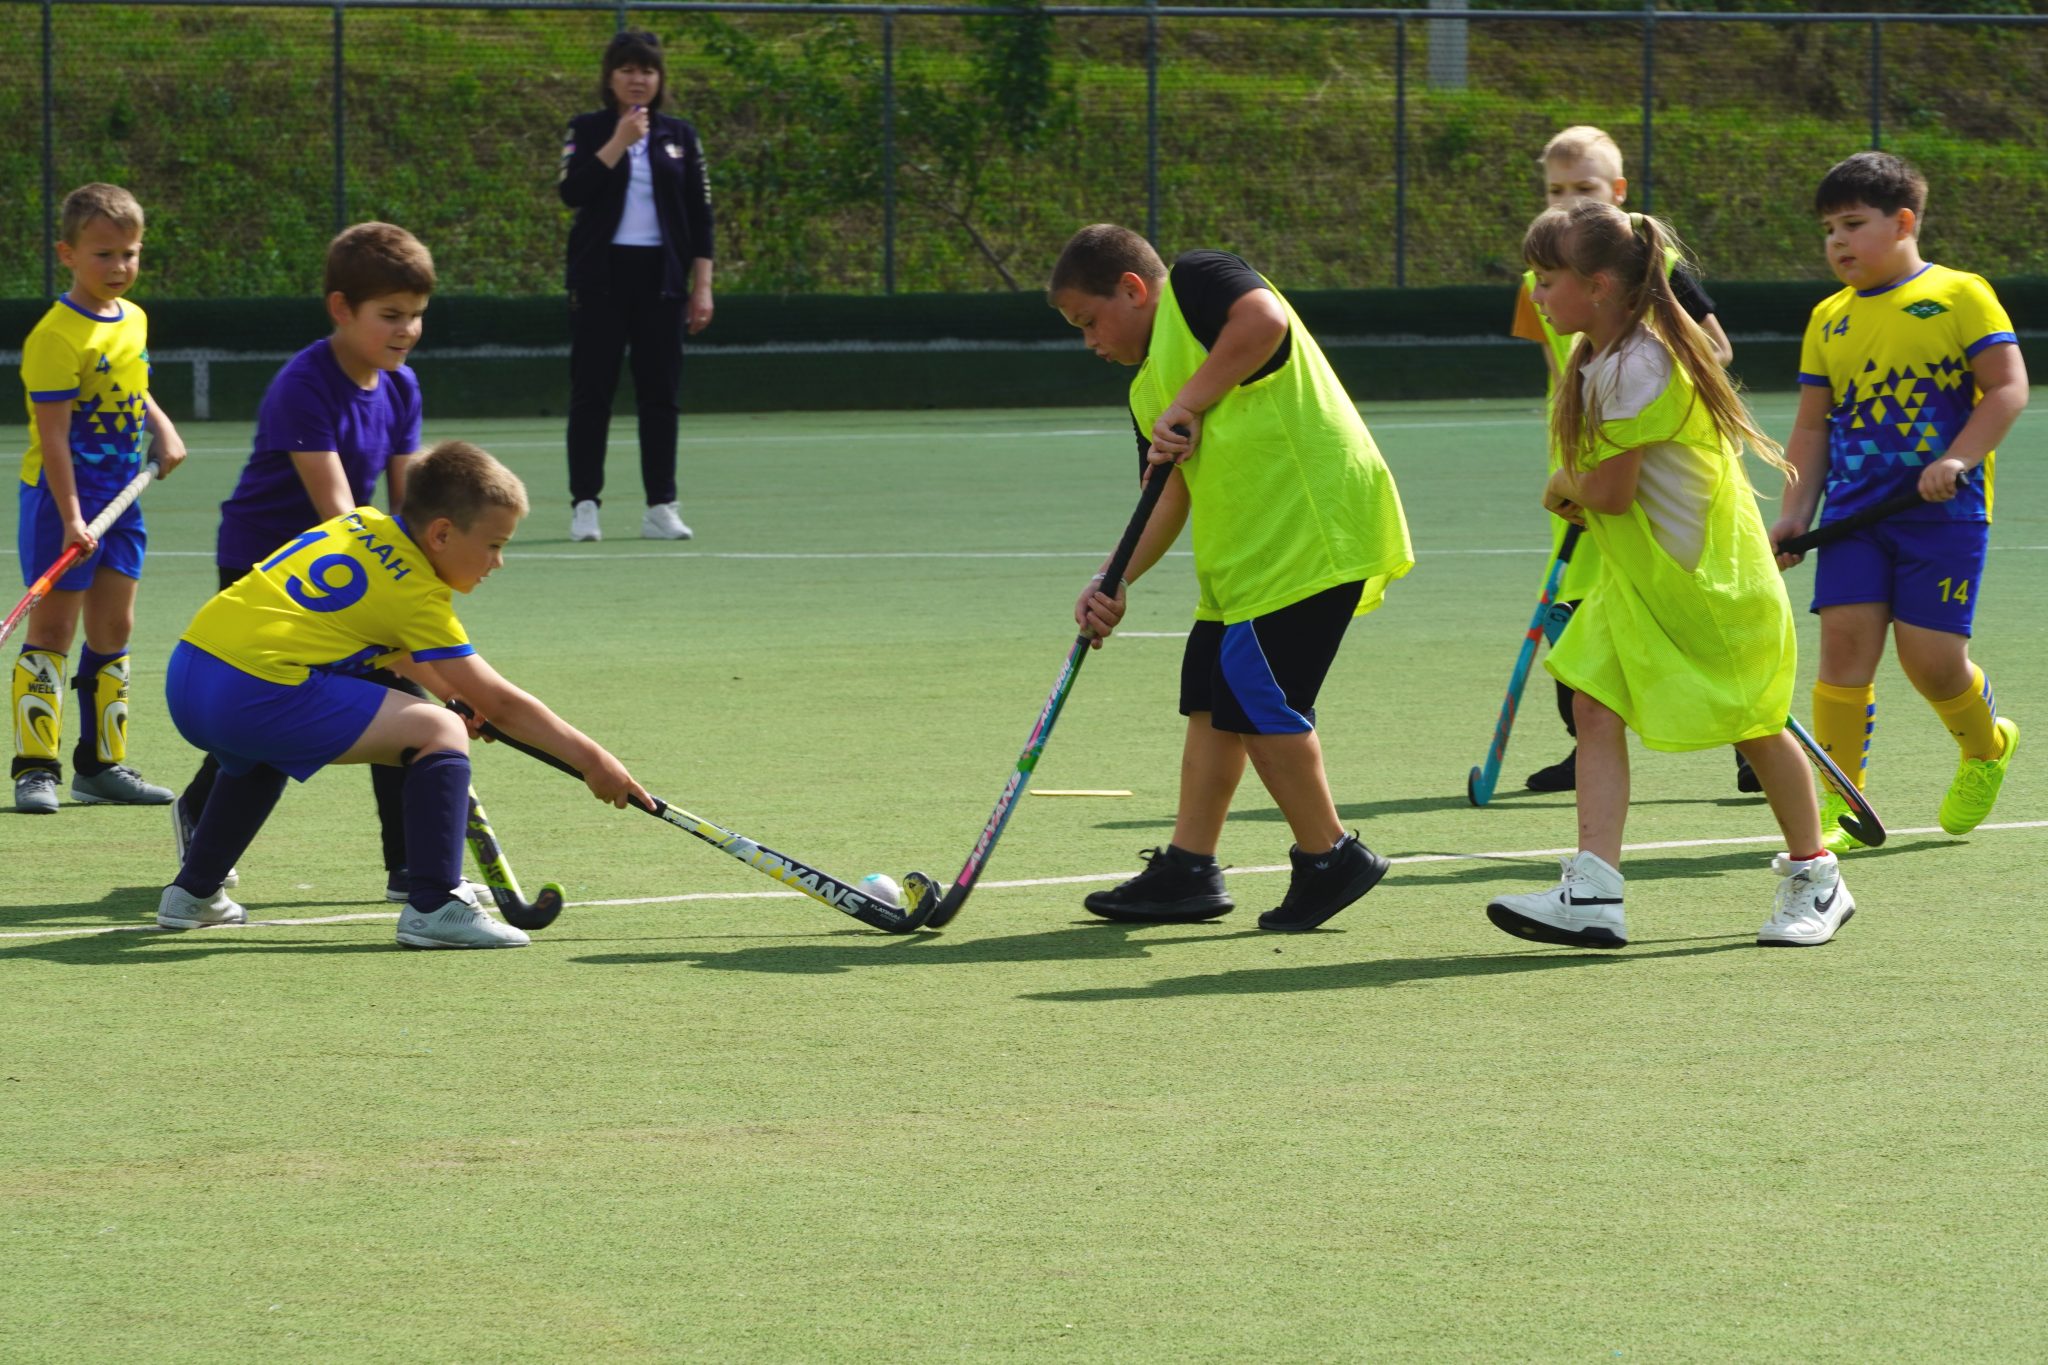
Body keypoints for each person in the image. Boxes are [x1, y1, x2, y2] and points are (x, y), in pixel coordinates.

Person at [1486, 202, 1852, 950]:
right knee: (1592, 704)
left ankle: (1818, 875)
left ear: (1597, 286)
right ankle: (1593, 889)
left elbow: (1610, 491)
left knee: (1753, 729)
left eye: (1547, 280)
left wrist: (1562, 482)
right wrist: (1582, 486)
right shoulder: (1603, 357)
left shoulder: (1638, 364)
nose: (1537, 294)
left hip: (1708, 587)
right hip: (1647, 583)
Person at [1047, 225, 1414, 932]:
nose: (1090, 342)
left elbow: (1265, 321)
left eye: (1089, 322)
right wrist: (1113, 577)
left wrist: (1191, 401)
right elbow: (1167, 495)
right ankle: (1189, 867)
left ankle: (1331, 854)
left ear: (1132, 289)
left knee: (1255, 693)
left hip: (1312, 531)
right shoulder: (1145, 390)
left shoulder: (1197, 280)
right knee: (1211, 694)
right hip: (1244, 561)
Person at [157, 441, 648, 949]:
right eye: (494, 545)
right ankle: (435, 903)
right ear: (441, 533)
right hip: (254, 692)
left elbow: (379, 640)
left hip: (192, 673)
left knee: (263, 753)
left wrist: (450, 690)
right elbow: (501, 704)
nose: (497, 563)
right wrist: (594, 762)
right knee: (439, 730)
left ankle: (194, 893)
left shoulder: (359, 525)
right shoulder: (417, 593)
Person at [171, 222, 440, 902]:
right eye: (390, 316)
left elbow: (407, 506)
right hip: (263, 570)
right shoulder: (304, 384)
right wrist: (396, 616)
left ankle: (409, 869)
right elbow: (339, 512)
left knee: (404, 702)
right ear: (340, 309)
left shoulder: (402, 387)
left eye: (415, 315)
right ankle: (201, 815)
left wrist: (423, 605)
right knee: (266, 708)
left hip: (343, 574)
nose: (405, 330)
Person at [1770, 152, 2028, 853]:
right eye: (1828, 230)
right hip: (1854, 518)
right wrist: (1796, 511)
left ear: (1904, 221)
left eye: (1853, 224)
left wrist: (1957, 459)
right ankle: (1841, 804)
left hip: (1943, 515)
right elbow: (1812, 425)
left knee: (1931, 661)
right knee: (1844, 648)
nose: (1837, 243)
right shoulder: (1829, 318)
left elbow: (2007, 387)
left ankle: (1985, 747)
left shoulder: (1959, 294)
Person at [1508, 125, 1748, 794]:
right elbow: (1555, 366)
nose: (1565, 201)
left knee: (1675, 610)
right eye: (1555, 189)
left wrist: (1639, 391)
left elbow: (1715, 350)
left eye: (1583, 189)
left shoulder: (1655, 266)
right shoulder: (1540, 279)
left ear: (1617, 194)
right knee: (1575, 606)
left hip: (1644, 459)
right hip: (1585, 456)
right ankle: (1584, 742)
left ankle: (1750, 738)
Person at [13, 183, 188, 814]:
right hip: (63, 502)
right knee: (55, 627)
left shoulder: (134, 318)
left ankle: (101, 765)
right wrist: (70, 518)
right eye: (104, 255)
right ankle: (36, 768)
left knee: (115, 626)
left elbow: (132, 385)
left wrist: (161, 427)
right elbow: (53, 437)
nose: (119, 267)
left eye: (131, 254)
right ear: (68, 253)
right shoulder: (56, 337)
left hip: (121, 499)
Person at [557, 27, 715, 544]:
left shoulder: (681, 136)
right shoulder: (587, 127)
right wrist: (618, 144)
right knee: (592, 395)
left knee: (660, 397)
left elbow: (700, 215)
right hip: (601, 279)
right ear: (610, 77)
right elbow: (573, 192)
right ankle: (585, 505)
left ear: (659, 78)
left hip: (662, 282)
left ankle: (660, 506)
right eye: (627, 70)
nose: (637, 79)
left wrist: (702, 287)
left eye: (646, 70)